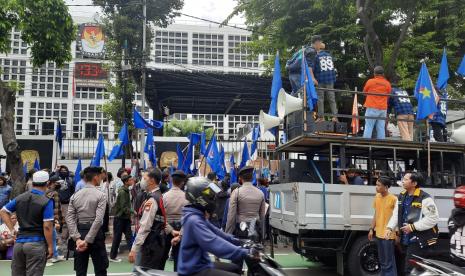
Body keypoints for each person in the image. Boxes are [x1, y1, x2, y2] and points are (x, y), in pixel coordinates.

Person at [178, 176, 253, 276]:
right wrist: (245, 252)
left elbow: (218, 233)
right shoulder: (194, 220)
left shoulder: (198, 216)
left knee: (235, 268)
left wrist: (240, 242)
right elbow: (214, 243)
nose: (213, 199)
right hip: (193, 270)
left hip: (201, 264)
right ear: (199, 198)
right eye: (210, 196)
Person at [0, 171, 54, 276]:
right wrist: (51, 246)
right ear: (47, 183)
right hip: (36, 243)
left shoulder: (20, 198)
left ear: (33, 182)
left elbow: (3, 211)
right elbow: (47, 226)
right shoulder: (46, 201)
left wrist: (12, 230)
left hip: (19, 244)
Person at [386, 172, 439, 275]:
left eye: (406, 179)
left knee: (410, 270)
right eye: (403, 179)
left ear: (414, 183)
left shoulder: (425, 198)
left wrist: (413, 227)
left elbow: (433, 218)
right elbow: (396, 214)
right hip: (406, 239)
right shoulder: (401, 196)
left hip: (419, 240)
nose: (403, 181)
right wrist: (389, 228)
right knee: (413, 270)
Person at [66, 166, 108, 276]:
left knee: (80, 271)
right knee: (100, 269)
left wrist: (77, 239)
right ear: (95, 177)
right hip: (96, 234)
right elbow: (98, 220)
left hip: (80, 232)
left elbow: (69, 218)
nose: (101, 178)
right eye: (100, 176)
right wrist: (88, 240)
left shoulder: (75, 195)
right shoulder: (101, 195)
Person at [128, 168, 167, 269]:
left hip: (151, 245)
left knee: (144, 271)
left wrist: (134, 248)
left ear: (152, 181)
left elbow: (145, 226)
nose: (142, 181)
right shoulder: (158, 196)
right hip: (157, 242)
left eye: (144, 178)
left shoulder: (152, 200)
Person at [225, 166, 266, 240]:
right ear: (252, 178)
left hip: (241, 227)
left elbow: (231, 215)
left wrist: (228, 234)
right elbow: (262, 216)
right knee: (253, 249)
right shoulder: (260, 193)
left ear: (240, 178)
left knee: (242, 249)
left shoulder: (236, 192)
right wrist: (262, 234)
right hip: (254, 226)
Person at [368, 176, 397, 276]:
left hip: (388, 235)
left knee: (388, 261)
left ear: (386, 187)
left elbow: (397, 218)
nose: (376, 187)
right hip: (379, 233)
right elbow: (376, 214)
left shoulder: (393, 199)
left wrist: (397, 234)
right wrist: (371, 229)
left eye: (378, 185)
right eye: (376, 184)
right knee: (382, 260)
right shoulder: (377, 197)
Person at [161, 170, 189, 271]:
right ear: (182, 182)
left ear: (172, 181)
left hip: (166, 229)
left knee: (162, 259)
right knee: (179, 261)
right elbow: (188, 218)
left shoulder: (164, 196)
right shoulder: (187, 197)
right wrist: (181, 232)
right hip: (181, 230)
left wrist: (170, 230)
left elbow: (161, 217)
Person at [311, 35, 338, 122]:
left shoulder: (316, 56)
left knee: (320, 98)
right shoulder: (329, 55)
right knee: (332, 98)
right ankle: (335, 116)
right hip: (330, 80)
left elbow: (313, 68)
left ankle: (321, 117)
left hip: (320, 80)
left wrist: (313, 78)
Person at [109, 174, 134, 262]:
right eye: (130, 180)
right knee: (117, 238)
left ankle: (133, 255)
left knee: (129, 237)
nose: (132, 181)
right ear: (126, 182)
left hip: (125, 218)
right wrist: (133, 212)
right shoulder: (123, 192)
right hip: (120, 218)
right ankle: (112, 256)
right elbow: (124, 207)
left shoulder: (126, 190)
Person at [363, 66, 392, 139]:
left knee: (369, 126)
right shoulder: (387, 83)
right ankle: (381, 146)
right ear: (383, 74)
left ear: (374, 74)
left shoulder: (370, 81)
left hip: (371, 107)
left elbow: (364, 92)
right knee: (381, 128)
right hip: (383, 108)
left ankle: (366, 144)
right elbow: (388, 95)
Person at [55, 165, 75, 254]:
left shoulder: (70, 180)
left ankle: (65, 239)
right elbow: (52, 178)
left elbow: (73, 191)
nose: (63, 171)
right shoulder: (56, 179)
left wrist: (69, 199)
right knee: (57, 221)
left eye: (65, 170)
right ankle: (58, 241)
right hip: (57, 203)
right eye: (61, 170)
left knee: (66, 221)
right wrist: (56, 171)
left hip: (67, 204)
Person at [46, 175, 65, 264]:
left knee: (51, 237)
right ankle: (53, 255)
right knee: (53, 237)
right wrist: (56, 221)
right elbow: (56, 209)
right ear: (53, 183)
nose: (60, 184)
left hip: (45, 218)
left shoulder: (45, 191)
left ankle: (55, 254)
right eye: (58, 183)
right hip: (52, 218)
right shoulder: (55, 193)